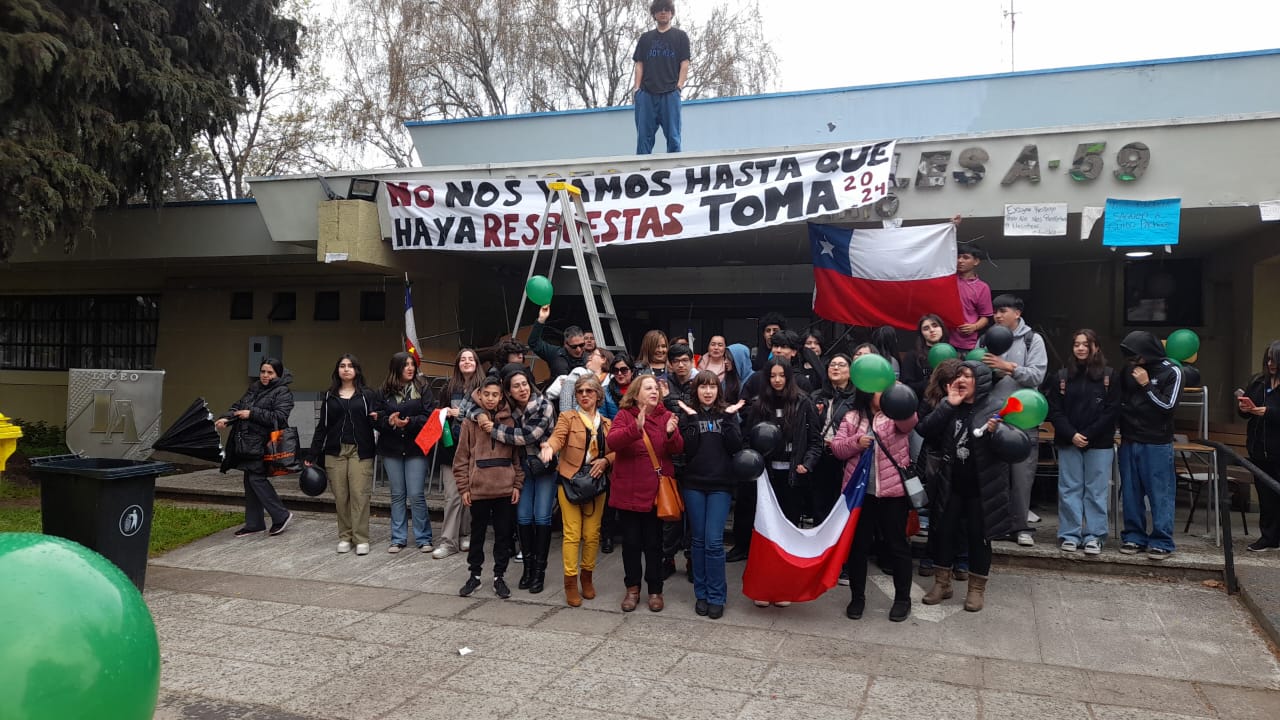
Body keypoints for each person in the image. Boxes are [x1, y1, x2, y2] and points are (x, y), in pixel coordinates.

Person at [916, 361, 1026, 612]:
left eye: (969, 375)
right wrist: (947, 405)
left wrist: (998, 433)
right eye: (959, 375)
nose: (962, 379)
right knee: (943, 533)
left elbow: (1013, 449)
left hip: (983, 487)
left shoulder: (996, 408)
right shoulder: (948, 406)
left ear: (983, 381)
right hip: (950, 483)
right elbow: (924, 430)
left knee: (979, 537)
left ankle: (976, 590)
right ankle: (942, 584)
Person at [830, 387, 918, 622]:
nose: (885, 395)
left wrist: (901, 404)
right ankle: (857, 598)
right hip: (860, 495)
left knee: (897, 546)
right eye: (879, 391)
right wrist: (857, 442)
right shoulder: (852, 417)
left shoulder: (896, 416)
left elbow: (910, 423)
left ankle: (902, 599)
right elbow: (837, 448)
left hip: (892, 494)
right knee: (858, 547)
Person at [738, 360, 822, 585]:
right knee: (766, 528)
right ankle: (766, 577)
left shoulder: (803, 402)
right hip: (766, 477)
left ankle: (787, 578)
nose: (777, 380)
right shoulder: (758, 404)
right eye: (772, 376)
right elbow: (747, 439)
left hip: (793, 476)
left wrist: (808, 463)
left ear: (788, 377)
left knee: (789, 526)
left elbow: (816, 441)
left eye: (781, 375)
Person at [474, 364, 556, 593]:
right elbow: (474, 403)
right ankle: (527, 570)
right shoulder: (508, 407)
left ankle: (539, 572)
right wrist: (479, 414)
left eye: (524, 384)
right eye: (516, 386)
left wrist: (494, 429)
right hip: (522, 468)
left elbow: (529, 435)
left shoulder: (544, 405)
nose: (522, 389)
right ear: (508, 391)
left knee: (541, 517)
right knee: (522, 517)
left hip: (544, 467)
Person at [606, 374, 684, 612]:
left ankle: (655, 591)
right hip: (628, 491)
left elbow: (677, 449)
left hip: (654, 493)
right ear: (636, 393)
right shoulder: (624, 415)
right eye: (648, 388)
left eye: (656, 389)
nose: (654, 391)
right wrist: (635, 428)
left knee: (654, 544)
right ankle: (632, 590)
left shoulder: (667, 416)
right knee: (630, 544)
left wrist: (671, 434)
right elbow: (612, 442)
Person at [540, 374, 616, 607]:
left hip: (595, 482)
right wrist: (549, 448)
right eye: (580, 392)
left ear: (598, 396)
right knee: (572, 534)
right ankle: (570, 583)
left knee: (592, 534)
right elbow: (557, 438)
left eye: (589, 391)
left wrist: (606, 462)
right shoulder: (568, 417)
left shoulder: (606, 423)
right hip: (571, 480)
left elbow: (615, 451)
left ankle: (587, 577)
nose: (584, 395)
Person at [675, 371, 745, 620]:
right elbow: (688, 450)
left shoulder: (727, 413)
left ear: (718, 389)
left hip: (721, 485)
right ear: (696, 390)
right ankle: (701, 594)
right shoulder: (688, 415)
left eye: (712, 387)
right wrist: (692, 420)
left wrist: (728, 419)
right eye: (702, 387)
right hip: (694, 484)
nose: (707, 391)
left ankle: (717, 596)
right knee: (698, 540)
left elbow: (736, 446)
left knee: (714, 542)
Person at [982, 294, 1048, 546]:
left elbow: (1036, 376)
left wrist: (1008, 367)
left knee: (1021, 477)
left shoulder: (1033, 340)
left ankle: (1020, 527)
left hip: (1023, 419)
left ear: (1017, 313)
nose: (997, 316)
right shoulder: (986, 339)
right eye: (995, 311)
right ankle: (994, 526)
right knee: (993, 476)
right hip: (992, 418)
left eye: (1003, 310)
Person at [1047, 330, 1120, 555]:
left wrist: (1087, 434)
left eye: (1085, 344)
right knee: (1069, 489)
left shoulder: (1109, 376)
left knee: (1096, 491)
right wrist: (1072, 435)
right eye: (1076, 344)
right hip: (1069, 441)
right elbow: (1055, 411)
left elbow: (1112, 411)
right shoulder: (1061, 376)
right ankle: (1069, 534)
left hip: (1099, 443)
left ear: (1096, 347)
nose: (1080, 348)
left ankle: (1094, 536)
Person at [455, 375, 524, 598]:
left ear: (501, 395)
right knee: (477, 535)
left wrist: (517, 484)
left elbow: (517, 458)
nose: (491, 399)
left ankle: (499, 576)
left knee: (503, 535)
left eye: (495, 394)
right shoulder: (470, 422)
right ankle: (474, 575)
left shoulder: (510, 422)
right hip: (479, 489)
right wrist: (464, 488)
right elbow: (462, 458)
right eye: (487, 394)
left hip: (505, 488)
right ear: (480, 395)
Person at [307, 354, 382, 556]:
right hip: (335, 451)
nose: (346, 369)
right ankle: (345, 536)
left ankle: (361, 538)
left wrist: (378, 418)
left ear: (356, 370)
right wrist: (312, 454)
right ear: (337, 370)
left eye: (350, 366)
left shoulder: (367, 394)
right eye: (342, 366)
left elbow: (377, 422)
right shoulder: (329, 396)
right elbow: (321, 427)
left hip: (361, 450)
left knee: (359, 494)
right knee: (341, 496)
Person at [1117, 331, 1183, 559]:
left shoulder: (1172, 371)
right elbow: (1120, 400)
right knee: (1131, 492)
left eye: (1136, 356)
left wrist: (1146, 385)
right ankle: (1134, 537)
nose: (1132, 362)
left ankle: (1162, 540)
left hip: (1157, 442)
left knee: (1160, 493)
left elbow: (1168, 407)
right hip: (1129, 439)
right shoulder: (1128, 370)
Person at [216, 358, 294, 538]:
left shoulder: (283, 392)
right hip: (247, 443)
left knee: (256, 479)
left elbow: (279, 417)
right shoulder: (255, 387)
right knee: (249, 481)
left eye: (270, 373)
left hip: (265, 443)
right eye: (263, 372)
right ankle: (254, 523)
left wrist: (252, 413)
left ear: (278, 374)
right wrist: (226, 418)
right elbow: (239, 407)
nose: (265, 376)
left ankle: (281, 515)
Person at [378, 352, 436, 554]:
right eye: (406, 365)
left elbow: (430, 417)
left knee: (416, 494)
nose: (410, 368)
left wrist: (410, 422)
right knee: (397, 494)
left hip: (416, 448)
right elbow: (377, 416)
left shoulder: (423, 387)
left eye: (412, 364)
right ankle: (398, 538)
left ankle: (424, 538)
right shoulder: (384, 390)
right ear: (396, 368)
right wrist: (389, 421)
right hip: (392, 448)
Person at [432, 348, 481, 559]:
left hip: (475, 449)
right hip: (451, 449)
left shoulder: (484, 387)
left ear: (477, 363)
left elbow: (488, 414)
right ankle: (448, 541)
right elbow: (439, 417)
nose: (467, 362)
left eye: (471, 359)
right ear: (457, 364)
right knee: (452, 496)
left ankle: (466, 534)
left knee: (470, 495)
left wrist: (460, 413)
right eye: (463, 359)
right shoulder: (447, 388)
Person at [632, 0, 690, 154]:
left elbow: (684, 63)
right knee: (644, 140)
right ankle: (642, 175)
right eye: (659, 9)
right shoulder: (645, 38)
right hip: (646, 94)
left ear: (671, 12)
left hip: (670, 94)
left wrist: (679, 87)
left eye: (666, 9)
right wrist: (637, 89)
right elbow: (639, 63)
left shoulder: (681, 36)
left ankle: (675, 175)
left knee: (674, 138)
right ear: (654, 14)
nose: (663, 12)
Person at [1239, 341, 1280, 551]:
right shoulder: (1258, 382)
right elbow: (1247, 411)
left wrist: (1269, 412)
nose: (1271, 363)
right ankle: (1268, 538)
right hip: (1258, 449)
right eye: (1268, 359)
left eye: (1275, 359)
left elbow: (1270, 411)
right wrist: (1244, 408)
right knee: (1265, 497)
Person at [811, 353, 858, 520]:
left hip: (845, 458)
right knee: (819, 504)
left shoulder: (857, 398)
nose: (836, 368)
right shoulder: (817, 395)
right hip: (819, 455)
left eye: (841, 365)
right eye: (832, 365)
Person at [949, 242, 993, 352]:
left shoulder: (982, 287)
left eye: (965, 257)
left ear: (976, 261)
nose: (960, 260)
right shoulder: (948, 280)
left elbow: (986, 316)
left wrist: (974, 327)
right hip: (944, 341)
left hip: (968, 344)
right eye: (958, 257)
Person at [527, 304, 587, 377]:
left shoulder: (591, 357)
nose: (578, 349)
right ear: (566, 344)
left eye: (581, 345)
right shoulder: (555, 353)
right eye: (574, 346)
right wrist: (541, 320)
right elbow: (534, 343)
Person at [903, 314, 948, 397]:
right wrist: (931, 382)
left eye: (935, 326)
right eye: (926, 328)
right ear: (922, 334)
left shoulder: (951, 352)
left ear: (942, 328)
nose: (931, 330)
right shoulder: (912, 356)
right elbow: (907, 386)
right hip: (924, 403)